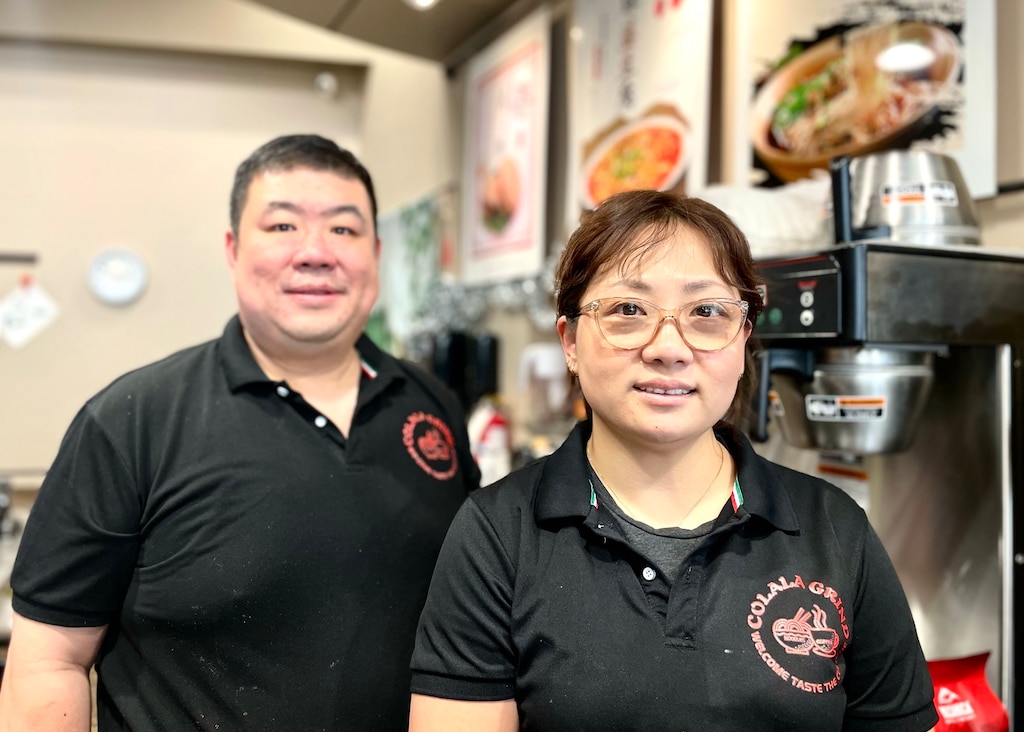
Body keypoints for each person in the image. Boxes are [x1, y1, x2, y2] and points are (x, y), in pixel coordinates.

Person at [408, 189, 939, 731]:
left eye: (707, 311)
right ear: (569, 341)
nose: (669, 347)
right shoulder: (498, 533)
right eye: (628, 310)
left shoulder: (833, 527)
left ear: (744, 338)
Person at [0, 134, 480, 731]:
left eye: (344, 230)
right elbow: (48, 662)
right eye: (282, 227)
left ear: (375, 252)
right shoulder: (132, 419)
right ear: (232, 249)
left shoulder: (432, 405)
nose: (315, 252)